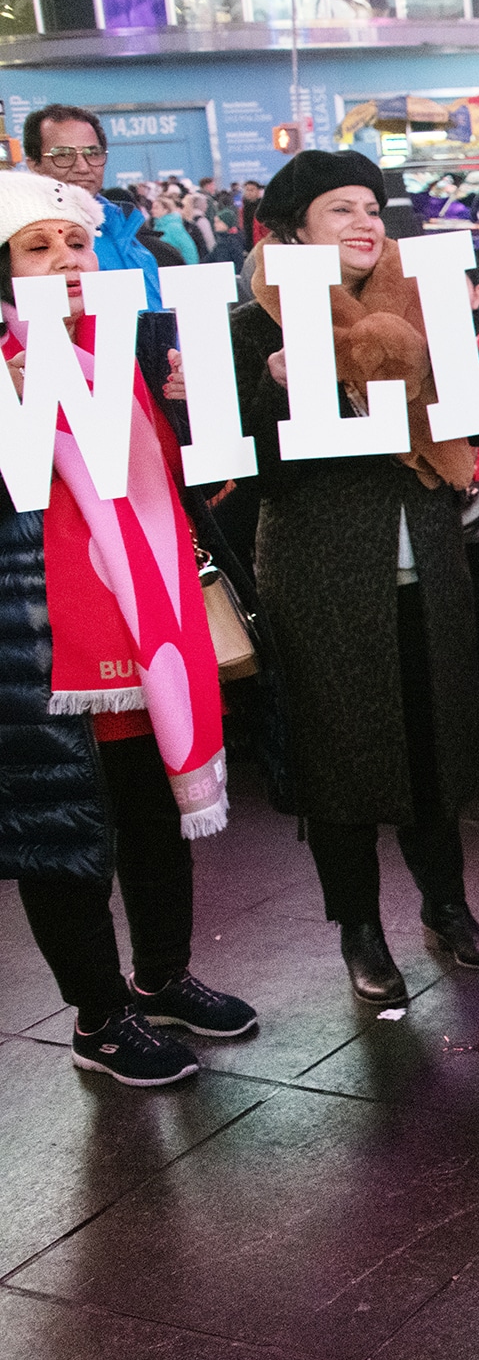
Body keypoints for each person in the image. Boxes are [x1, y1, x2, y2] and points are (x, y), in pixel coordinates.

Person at [0, 173, 257, 1089]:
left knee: (152, 815)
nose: (65, 261)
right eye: (38, 249)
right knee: (65, 833)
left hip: (145, 635)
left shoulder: (120, 350)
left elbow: (165, 489)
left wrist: (191, 411)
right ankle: (99, 1018)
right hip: (40, 648)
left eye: (71, 245)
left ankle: (162, 976)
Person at [232, 149, 479, 1006]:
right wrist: (286, 388)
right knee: (335, 757)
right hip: (320, 574)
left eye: (371, 209)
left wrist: (459, 339)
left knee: (435, 736)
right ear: (294, 233)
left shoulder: (418, 309)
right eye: (339, 210)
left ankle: (447, 905)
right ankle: (358, 928)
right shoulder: (252, 329)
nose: (363, 223)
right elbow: (252, 470)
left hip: (425, 558)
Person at [18, 105, 161, 294]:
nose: (82, 167)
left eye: (92, 153)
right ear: (34, 164)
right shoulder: (19, 242)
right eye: (63, 155)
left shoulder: (123, 227)